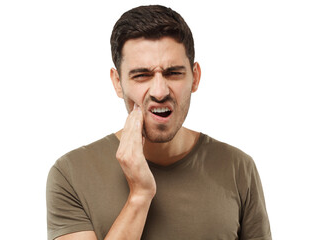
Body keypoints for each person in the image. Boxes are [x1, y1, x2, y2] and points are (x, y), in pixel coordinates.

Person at [46, 5, 272, 240]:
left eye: (173, 73)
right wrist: (140, 195)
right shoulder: (71, 174)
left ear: (195, 78)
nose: (160, 91)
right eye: (141, 75)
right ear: (117, 82)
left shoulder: (239, 168)